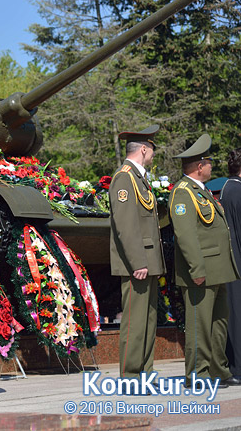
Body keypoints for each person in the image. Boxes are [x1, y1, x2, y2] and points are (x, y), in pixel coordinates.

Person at [169, 134, 241, 387]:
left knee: (219, 323)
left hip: (219, 270)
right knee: (200, 325)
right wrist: (197, 269)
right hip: (202, 271)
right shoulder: (182, 193)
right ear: (200, 166)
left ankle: (219, 370)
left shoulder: (202, 191)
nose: (212, 166)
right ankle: (197, 375)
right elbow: (186, 235)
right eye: (209, 162)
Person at [108, 126, 166, 381]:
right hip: (138, 263)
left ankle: (145, 372)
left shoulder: (139, 178)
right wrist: (138, 262)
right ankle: (131, 376)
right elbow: (126, 226)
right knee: (135, 323)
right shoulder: (124, 178)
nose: (153, 154)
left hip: (148, 261)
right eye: (152, 149)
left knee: (148, 321)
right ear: (144, 149)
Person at [220, 149, 241, 379]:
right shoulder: (238, 190)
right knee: (237, 316)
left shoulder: (227, 188)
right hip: (238, 260)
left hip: (231, 259)